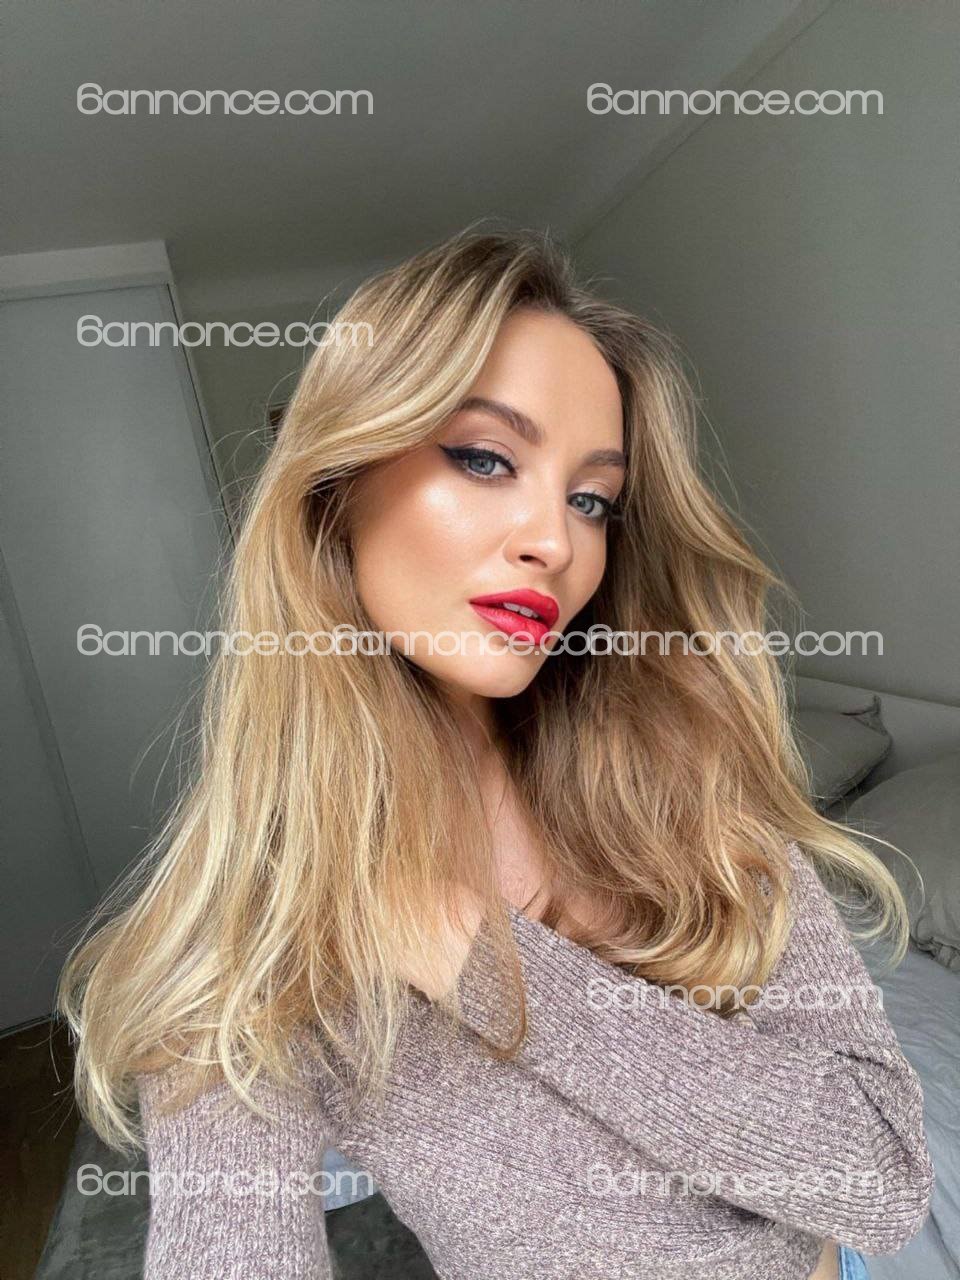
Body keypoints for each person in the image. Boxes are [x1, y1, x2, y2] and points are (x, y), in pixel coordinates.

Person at [57, 227, 933, 1279]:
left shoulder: (681, 781)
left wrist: (470, 952)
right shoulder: (261, 922)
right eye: (484, 457)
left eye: (591, 499)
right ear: (335, 488)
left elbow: (881, 1178)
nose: (555, 542)